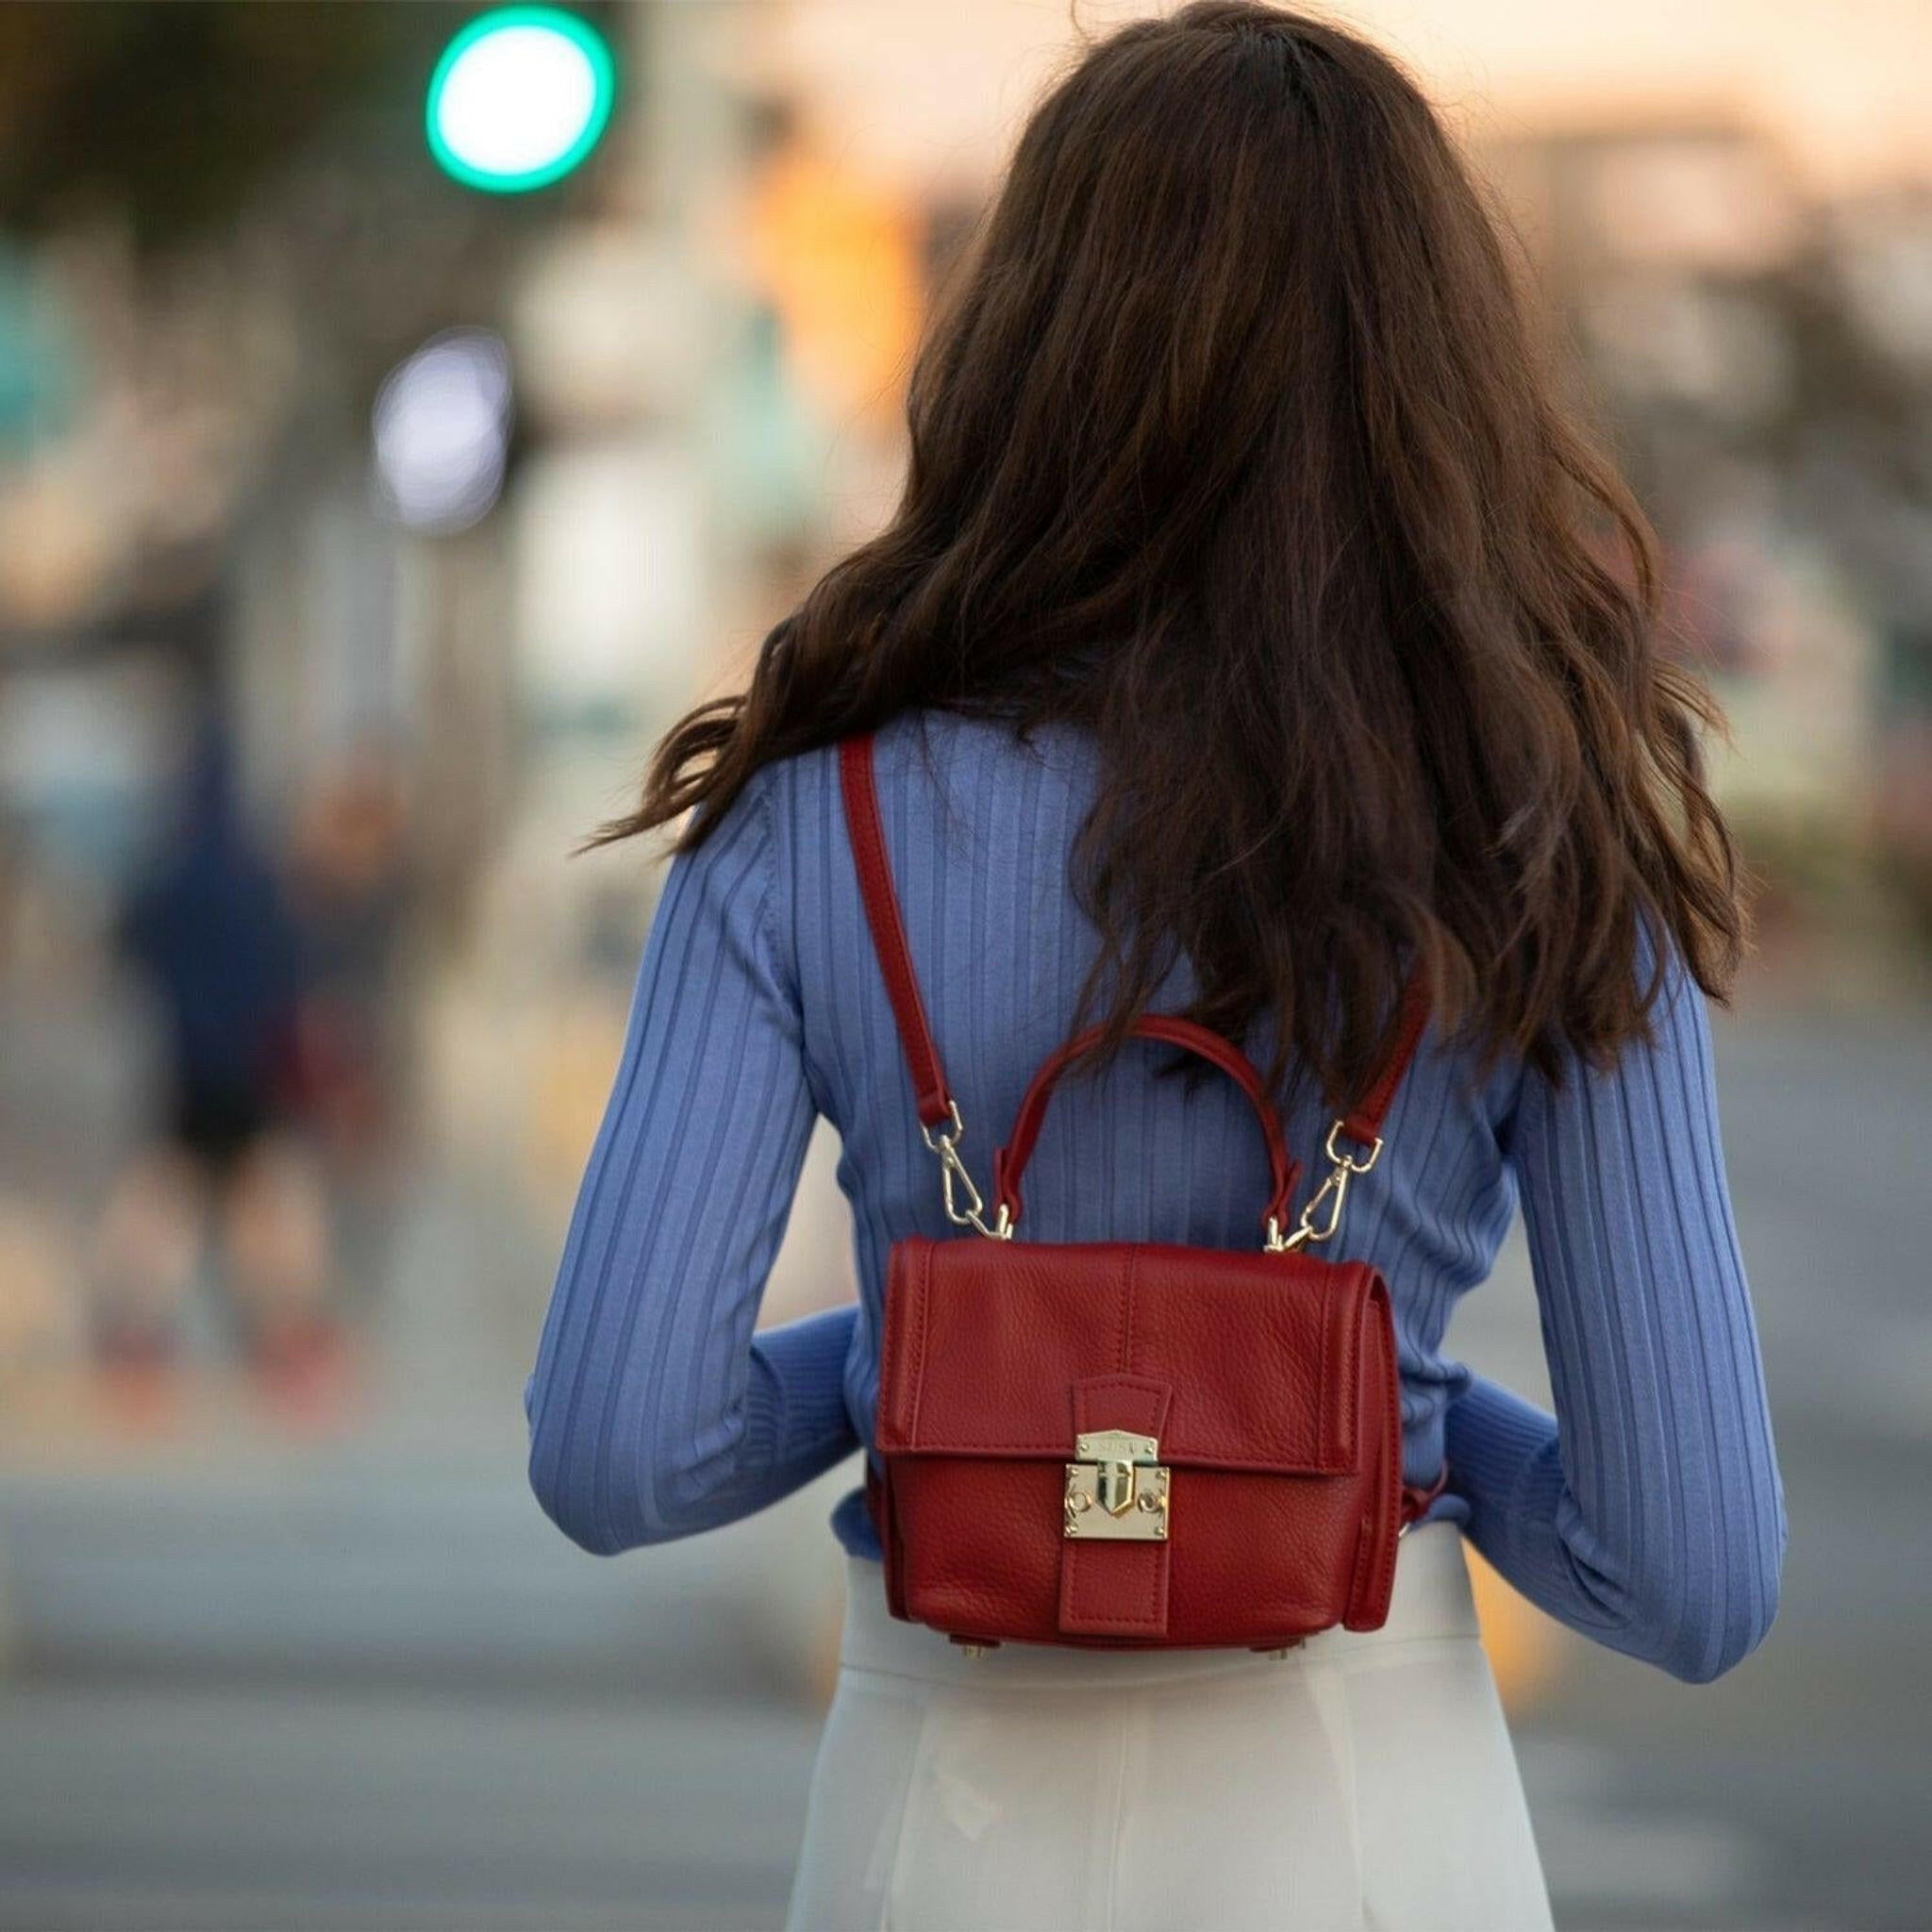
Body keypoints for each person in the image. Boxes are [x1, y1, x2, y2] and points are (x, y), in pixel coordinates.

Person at [525, 8, 1787, 1927]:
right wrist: (1378, 1414)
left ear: (1019, 342)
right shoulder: (1540, 826)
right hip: (1369, 1822)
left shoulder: (811, 817)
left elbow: (619, 1454)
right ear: (1434, 375)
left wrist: (937, 1364)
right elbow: (1689, 1578)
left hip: (933, 1818)